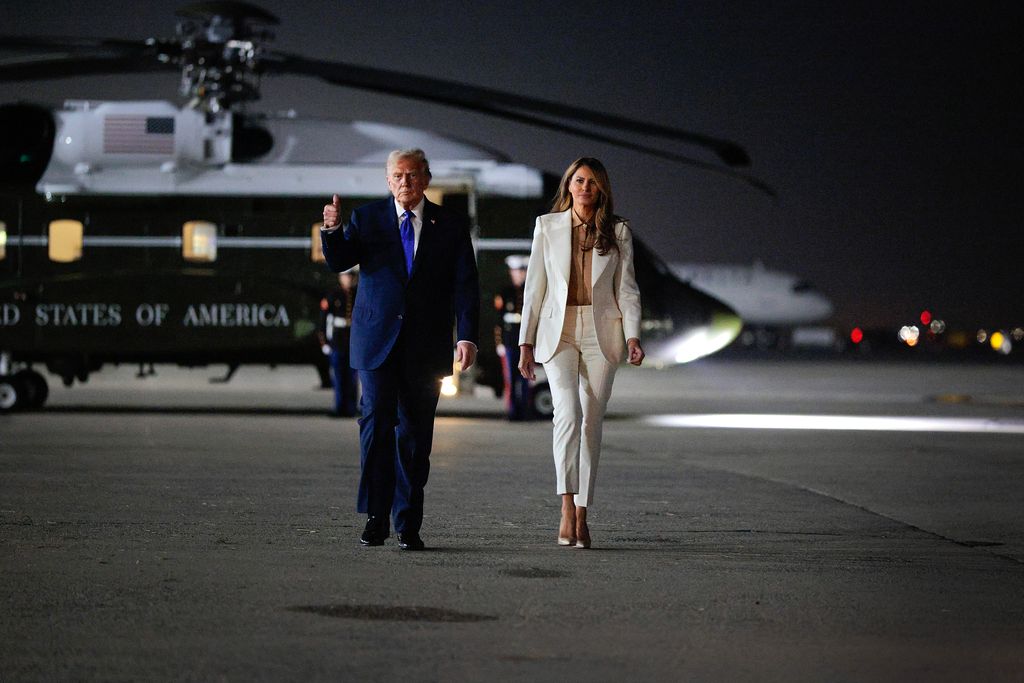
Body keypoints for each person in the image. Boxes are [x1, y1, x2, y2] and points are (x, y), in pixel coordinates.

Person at [320, 148, 479, 551]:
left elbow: (466, 285)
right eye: (396, 176)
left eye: (411, 175)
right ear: (387, 180)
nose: (404, 183)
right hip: (375, 344)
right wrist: (333, 231)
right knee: (374, 426)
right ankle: (376, 517)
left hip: (425, 348)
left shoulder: (451, 224)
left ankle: (408, 523)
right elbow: (340, 262)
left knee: (414, 435)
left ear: (426, 178)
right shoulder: (367, 218)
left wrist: (467, 335)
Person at [518, 157, 644, 549]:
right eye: (578, 180)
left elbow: (627, 289)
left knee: (591, 424)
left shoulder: (618, 231)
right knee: (567, 415)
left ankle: (584, 513)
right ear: (568, 185)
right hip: (559, 329)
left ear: (601, 189)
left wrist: (633, 336)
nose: (585, 187)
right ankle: (566, 506)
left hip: (603, 331)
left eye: (592, 182)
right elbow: (534, 289)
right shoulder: (547, 226)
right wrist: (525, 340)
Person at [494, 254, 534, 421]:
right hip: (510, 341)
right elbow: (499, 321)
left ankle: (524, 410)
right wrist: (499, 342)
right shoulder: (505, 292)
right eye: (514, 271)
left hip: (524, 342)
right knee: (510, 379)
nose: (516, 274)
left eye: (519, 271)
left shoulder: (529, 292)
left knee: (525, 378)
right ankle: (512, 411)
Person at [318, 268, 359, 417]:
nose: (349, 279)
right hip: (337, 341)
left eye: (351, 276)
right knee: (339, 377)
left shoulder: (357, 294)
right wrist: (324, 342)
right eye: (346, 276)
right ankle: (339, 407)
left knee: (352, 378)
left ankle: (351, 408)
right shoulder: (333, 295)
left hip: (353, 342)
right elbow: (323, 320)